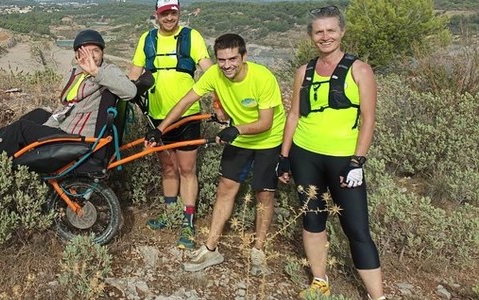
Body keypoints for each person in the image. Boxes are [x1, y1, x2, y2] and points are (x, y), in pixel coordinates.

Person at [145, 33, 285, 275]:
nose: (227, 65)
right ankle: (211, 249)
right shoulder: (214, 74)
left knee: (264, 194)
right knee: (225, 188)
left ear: (244, 56)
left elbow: (266, 123)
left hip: (267, 140)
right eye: (222, 60)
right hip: (239, 137)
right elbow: (185, 102)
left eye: (232, 59)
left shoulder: (263, 78)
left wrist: (236, 128)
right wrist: (160, 129)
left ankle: (258, 249)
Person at [276, 5, 384, 299]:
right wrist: (284, 156)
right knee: (312, 220)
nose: (325, 37)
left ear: (342, 32)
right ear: (312, 35)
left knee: (357, 228)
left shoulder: (359, 69)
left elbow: (369, 118)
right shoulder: (304, 72)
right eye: (319, 31)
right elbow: (294, 115)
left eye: (331, 31)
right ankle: (319, 282)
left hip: (343, 160)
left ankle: (378, 296)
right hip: (305, 155)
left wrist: (357, 161)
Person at [128, 0, 213, 249]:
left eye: (173, 12)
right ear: (156, 14)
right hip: (156, 116)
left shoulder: (191, 37)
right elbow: (134, 73)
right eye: (164, 13)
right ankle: (169, 215)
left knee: (187, 169)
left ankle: (187, 223)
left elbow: (208, 69)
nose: (169, 17)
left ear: (179, 12)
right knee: (167, 168)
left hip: (188, 115)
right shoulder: (147, 39)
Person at [0, 29, 136, 156]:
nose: (91, 55)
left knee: (22, 128)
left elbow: (130, 91)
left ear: (102, 53)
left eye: (96, 51)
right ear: (77, 54)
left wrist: (95, 71)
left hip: (76, 137)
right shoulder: (78, 72)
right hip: (66, 124)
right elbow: (67, 105)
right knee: (37, 114)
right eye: (85, 51)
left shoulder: (107, 70)